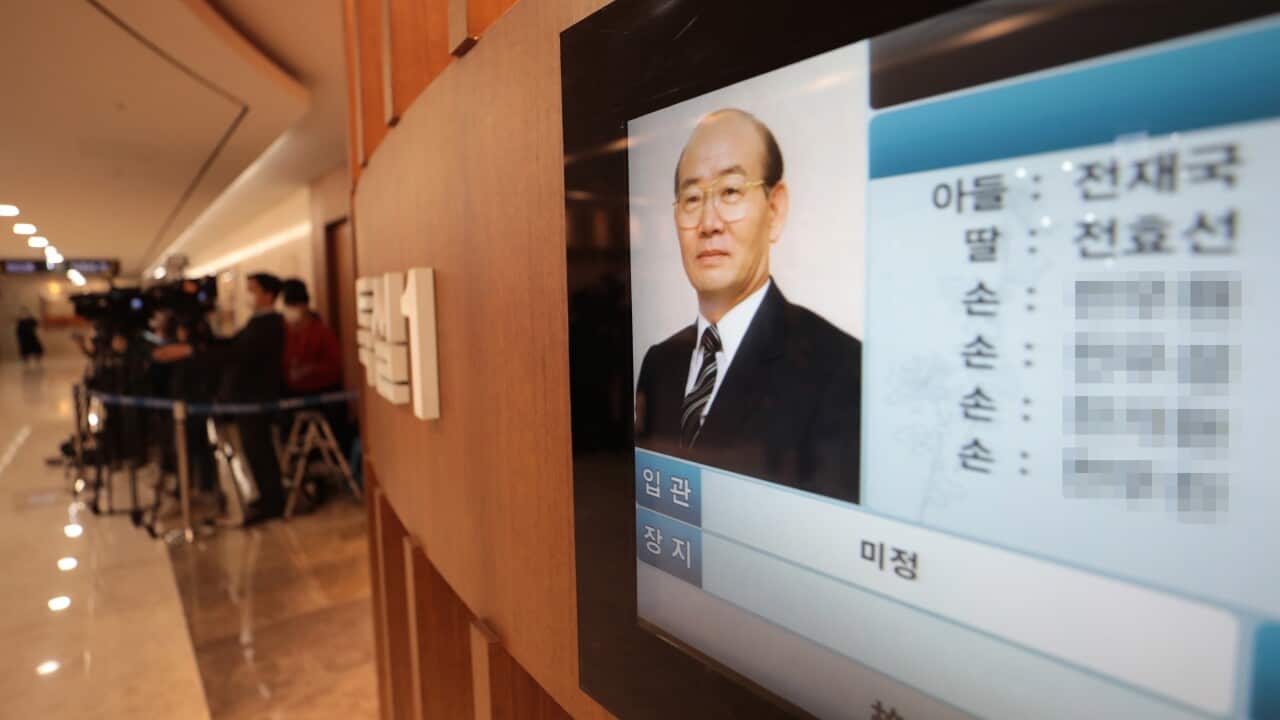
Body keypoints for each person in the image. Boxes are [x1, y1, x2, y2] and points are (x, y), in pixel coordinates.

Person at [634, 108, 861, 504]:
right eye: (692, 198)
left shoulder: (840, 369)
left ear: (775, 210)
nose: (709, 223)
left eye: (731, 192)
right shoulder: (659, 364)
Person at [154, 272, 287, 522]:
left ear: (268, 295)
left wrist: (192, 351)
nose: (248, 296)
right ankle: (266, 497)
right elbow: (232, 345)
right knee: (253, 450)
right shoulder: (258, 323)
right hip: (247, 398)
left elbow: (238, 352)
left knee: (260, 450)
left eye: (253, 290)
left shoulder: (269, 324)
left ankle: (272, 502)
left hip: (255, 397)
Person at [280, 279, 342, 396]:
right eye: (287, 306)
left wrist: (309, 369)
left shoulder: (321, 332)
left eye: (293, 305)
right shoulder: (283, 332)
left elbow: (335, 366)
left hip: (321, 391)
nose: (290, 310)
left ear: (304, 305)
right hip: (290, 392)